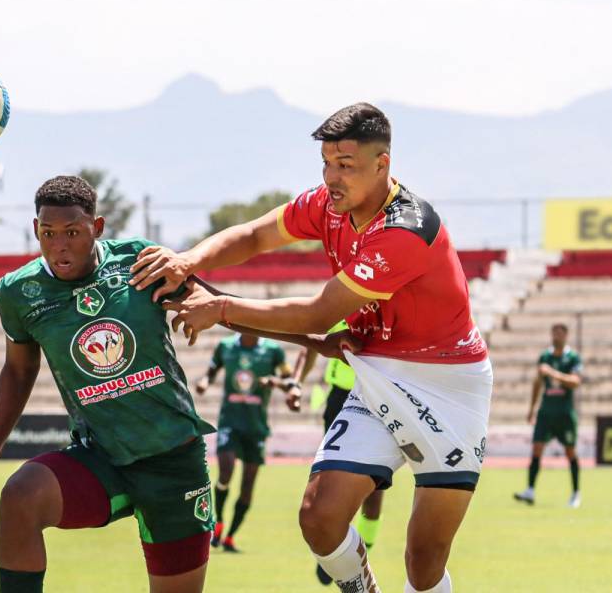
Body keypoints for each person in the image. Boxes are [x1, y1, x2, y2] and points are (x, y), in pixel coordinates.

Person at [131, 103, 492, 593]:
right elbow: (257, 233)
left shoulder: (406, 230)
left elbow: (320, 312)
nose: (332, 177)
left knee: (424, 560)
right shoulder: (327, 204)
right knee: (319, 517)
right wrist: (188, 258)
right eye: (326, 163)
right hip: (376, 372)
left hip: (451, 385)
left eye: (346, 165)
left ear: (382, 164)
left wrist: (221, 308)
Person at [0, 176, 219, 593]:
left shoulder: (139, 261)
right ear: (36, 231)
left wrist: (314, 339)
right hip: (100, 459)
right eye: (48, 234)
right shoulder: (20, 293)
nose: (59, 245)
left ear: (97, 228)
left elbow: (219, 303)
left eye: (73, 233)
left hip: (172, 461)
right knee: (21, 497)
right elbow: (17, 372)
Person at [292, 320, 386, 586]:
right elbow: (310, 341)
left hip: (375, 398)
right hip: (339, 398)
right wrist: (296, 381)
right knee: (332, 479)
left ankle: (362, 550)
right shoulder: (338, 307)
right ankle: (336, 546)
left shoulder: (381, 311)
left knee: (374, 489)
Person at [195, 332, 297, 553]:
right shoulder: (225, 345)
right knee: (225, 472)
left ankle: (231, 536)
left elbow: (290, 382)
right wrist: (204, 381)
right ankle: (219, 521)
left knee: (248, 484)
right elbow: (211, 371)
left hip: (256, 427)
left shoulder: (273, 350)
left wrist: (275, 382)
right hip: (230, 422)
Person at [515, 323, 583, 508]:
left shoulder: (573, 358)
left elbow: (575, 382)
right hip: (545, 413)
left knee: (570, 452)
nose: (556, 336)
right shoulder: (545, 356)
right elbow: (538, 383)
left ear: (566, 335)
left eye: (560, 333)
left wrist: (552, 373)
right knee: (537, 449)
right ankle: (529, 490)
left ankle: (576, 493)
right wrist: (532, 408)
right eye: (554, 333)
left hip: (565, 414)